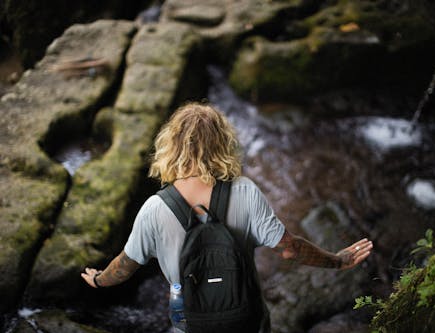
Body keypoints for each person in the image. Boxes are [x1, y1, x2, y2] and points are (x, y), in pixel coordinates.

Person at [81, 102, 373, 332]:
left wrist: (98, 281)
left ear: (170, 146)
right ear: (223, 144)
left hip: (190, 315)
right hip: (243, 309)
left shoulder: (153, 209)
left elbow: (125, 266)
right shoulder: (245, 192)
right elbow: (290, 249)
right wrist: (338, 260)